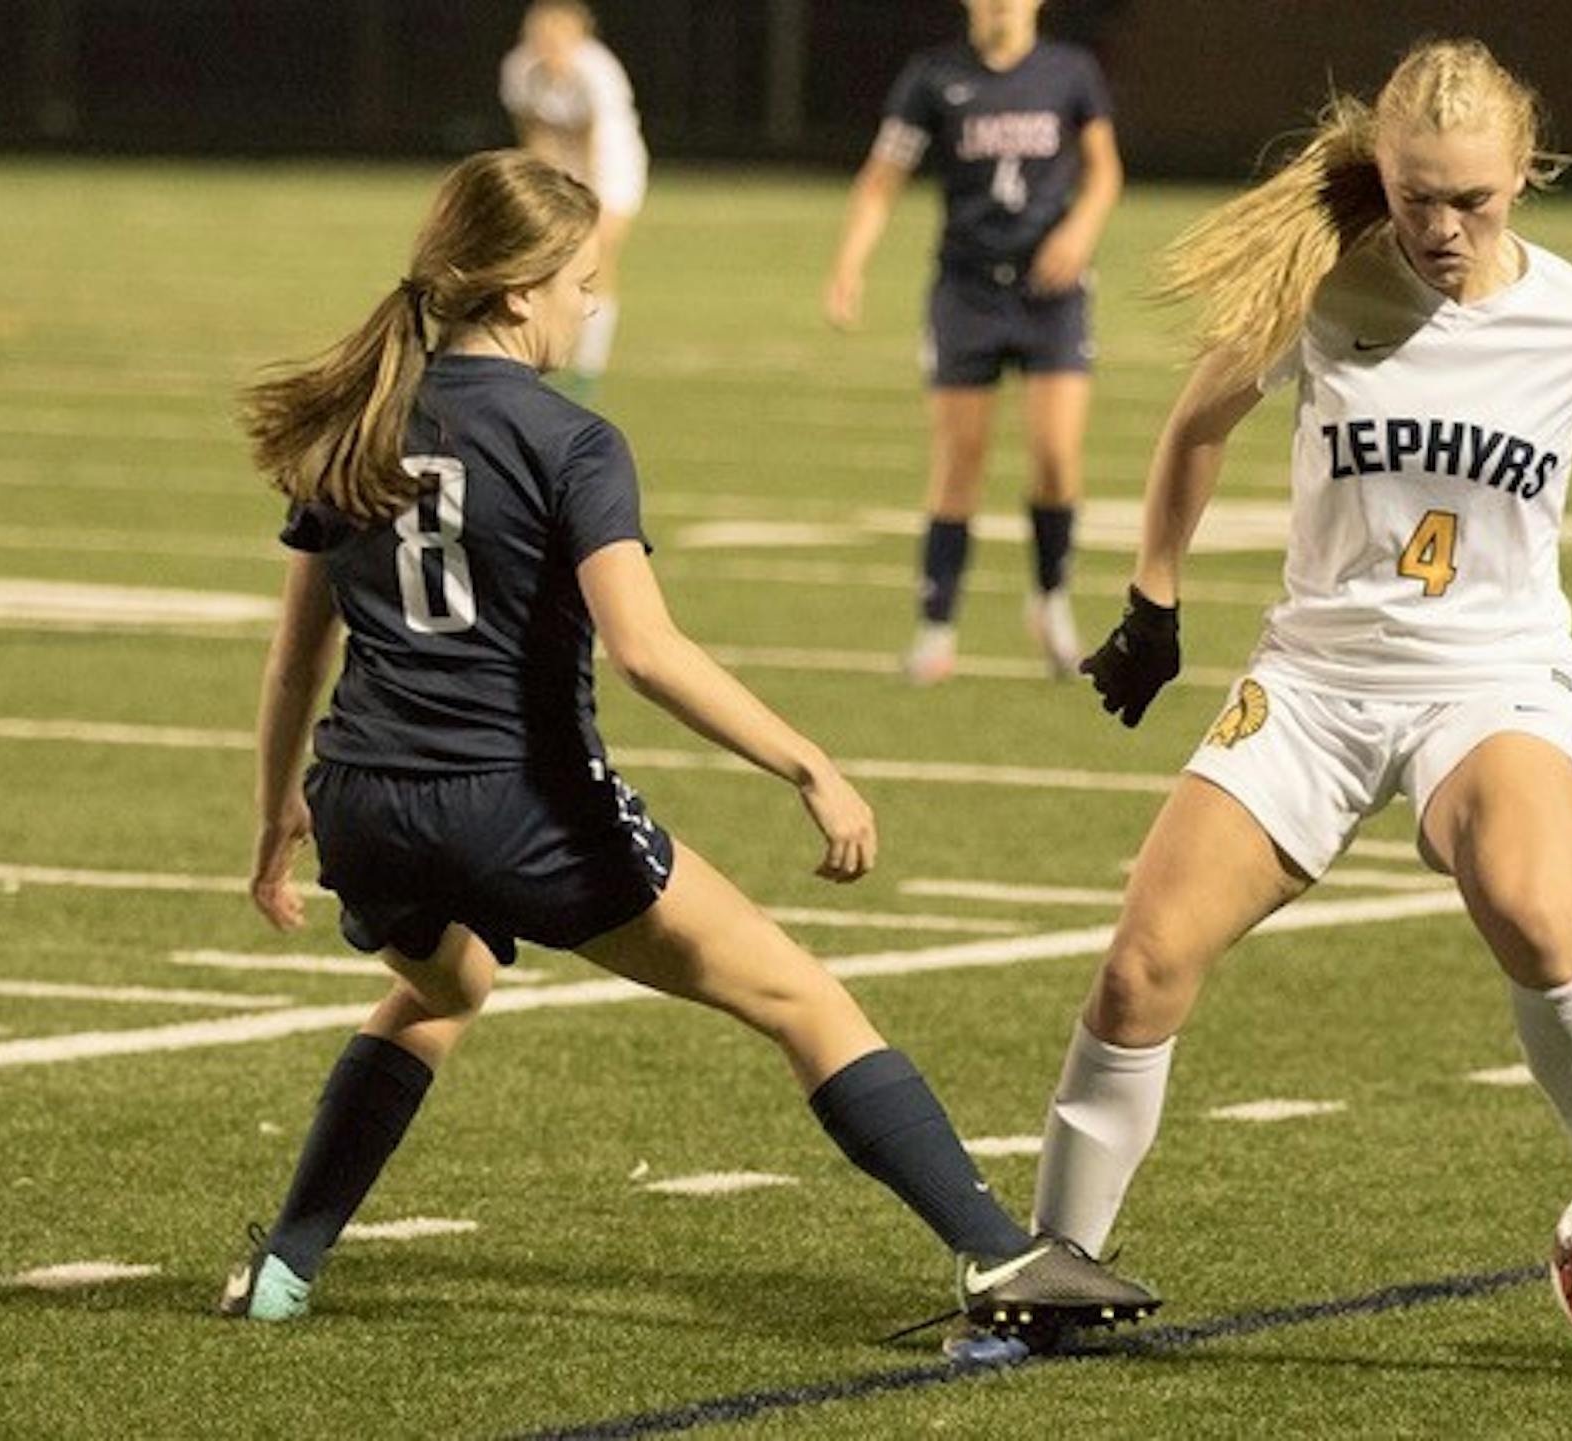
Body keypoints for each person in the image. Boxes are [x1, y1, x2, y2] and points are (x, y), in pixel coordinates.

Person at [221, 150, 1155, 1352]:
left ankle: (286, 1263)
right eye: (583, 283)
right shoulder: (573, 442)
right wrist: (807, 762)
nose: (590, 305)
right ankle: (996, 1247)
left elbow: (298, 657)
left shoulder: (353, 425)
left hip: (364, 802)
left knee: (443, 986)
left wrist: (274, 819)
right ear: (517, 293)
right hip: (518, 805)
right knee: (799, 996)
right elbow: (648, 652)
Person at [1033, 39, 1572, 1351]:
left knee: (1527, 900)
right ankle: (1059, 1264)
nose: (1446, 229)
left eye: (1475, 201)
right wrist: (1151, 601)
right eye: (1418, 200)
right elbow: (1195, 428)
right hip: (1317, 681)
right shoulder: (1321, 284)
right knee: (1139, 969)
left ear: (1525, 171)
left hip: (1492, 680)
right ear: (1381, 178)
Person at [825, 0, 1124, 685]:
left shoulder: (1069, 72)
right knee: (959, 459)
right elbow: (882, 180)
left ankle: (1050, 598)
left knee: (1055, 454)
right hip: (967, 290)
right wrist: (849, 264)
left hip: (1052, 292)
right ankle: (936, 628)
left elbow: (1105, 171)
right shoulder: (932, 77)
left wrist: (1078, 232)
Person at [500, 0, 645, 404]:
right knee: (544, 259)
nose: (551, 46)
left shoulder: (597, 70)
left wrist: (589, 200)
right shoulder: (520, 68)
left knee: (593, 257)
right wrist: (541, 188)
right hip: (564, 169)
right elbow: (536, 134)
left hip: (612, 169)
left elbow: (595, 139)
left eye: (561, 38)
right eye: (543, 37)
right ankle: (540, 355)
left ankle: (588, 367)